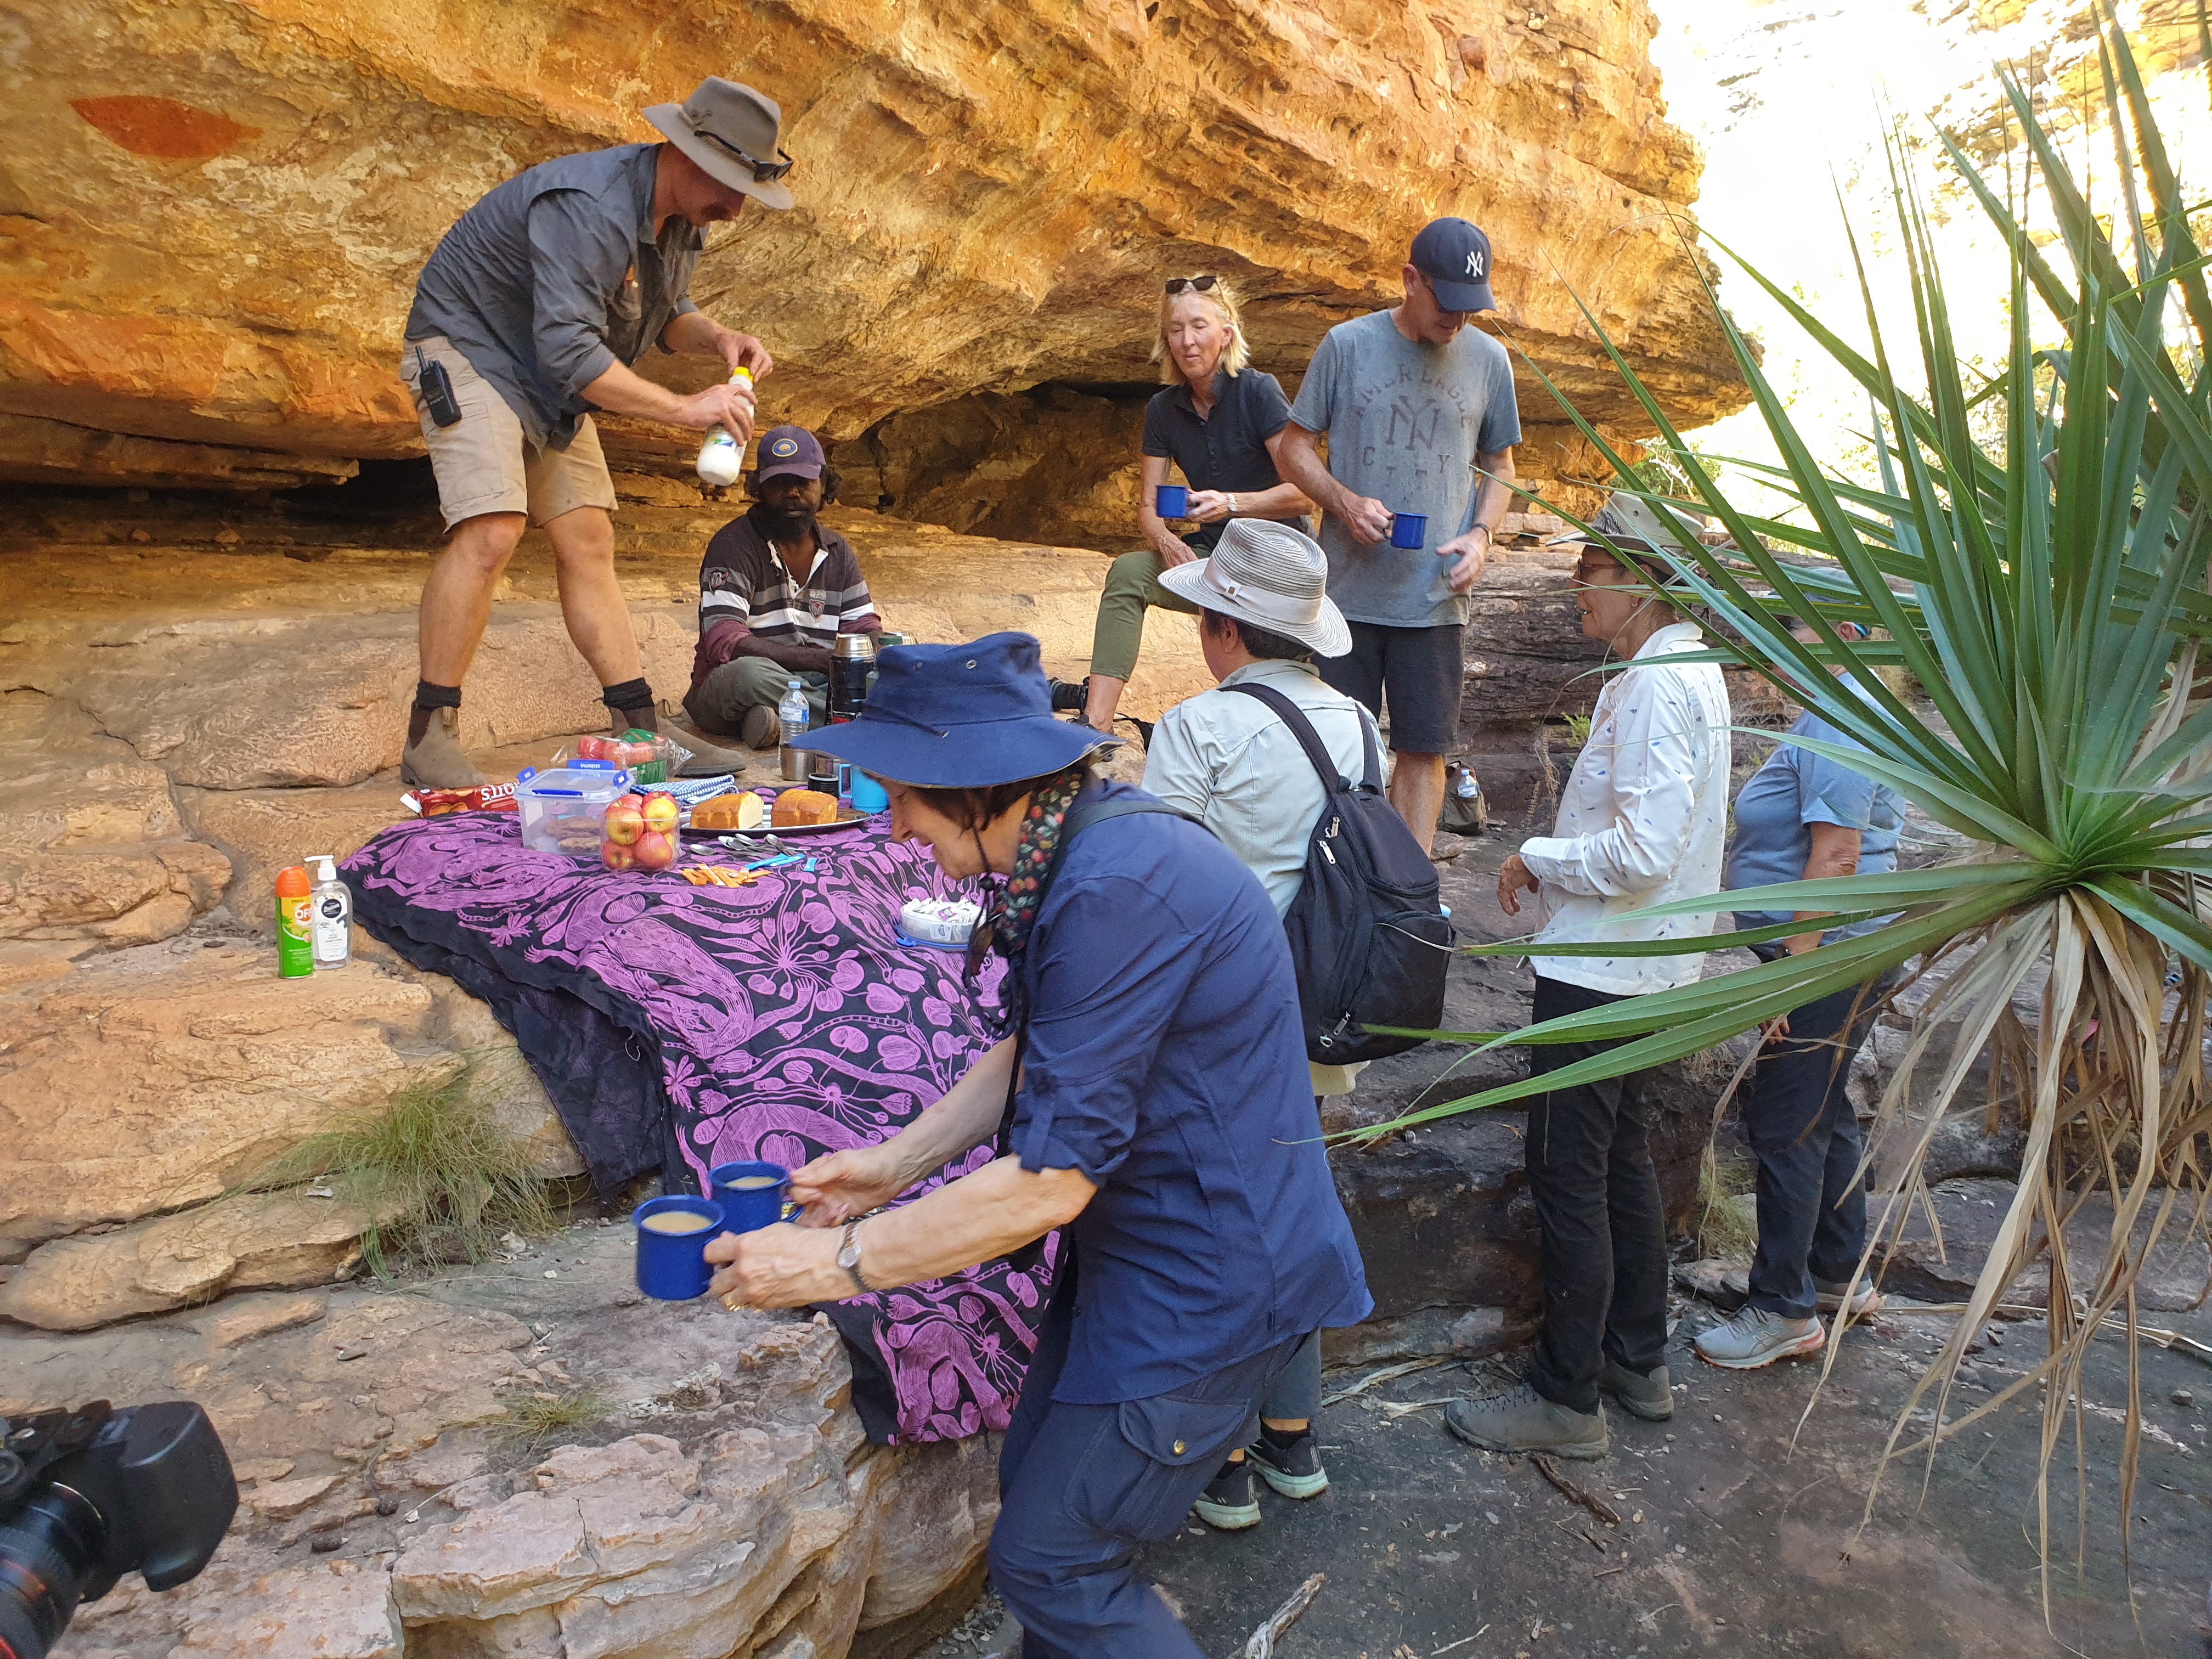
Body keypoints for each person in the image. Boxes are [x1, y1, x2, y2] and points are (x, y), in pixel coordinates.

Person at [704, 632, 1372, 1658]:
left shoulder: (1114, 884)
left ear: (976, 784)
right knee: (1042, 1500)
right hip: (1148, 1253)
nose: (899, 825)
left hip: (1219, 1274)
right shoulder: (1086, 845)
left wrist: (835, 1263)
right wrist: (894, 1165)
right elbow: (1041, 1045)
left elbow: (1049, 1182)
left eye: (906, 795)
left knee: (1055, 1559)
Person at [396, 76, 789, 787]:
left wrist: (721, 338)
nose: (735, 208)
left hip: (542, 376)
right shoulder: (591, 207)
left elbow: (670, 315)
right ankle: (431, 732)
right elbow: (572, 353)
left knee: (589, 537)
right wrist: (683, 410)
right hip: (468, 345)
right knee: (492, 530)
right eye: (731, 185)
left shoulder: (679, 218)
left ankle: (642, 734)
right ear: (686, 152)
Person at [1444, 537, 1730, 1459]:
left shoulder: (1655, 685)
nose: (1576, 590)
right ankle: (1635, 1360)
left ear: (1639, 579)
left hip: (1603, 970)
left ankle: (1566, 1396)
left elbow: (1643, 852)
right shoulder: (1691, 671)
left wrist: (1540, 856)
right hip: (1652, 969)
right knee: (1619, 1163)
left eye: (1590, 573)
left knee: (1570, 1170)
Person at [1138, 517, 1372, 1528]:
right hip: (1322, 1002)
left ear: (1222, 626)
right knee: (1298, 1204)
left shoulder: (1200, 728)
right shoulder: (1357, 723)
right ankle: (1294, 1436)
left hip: (1223, 1021)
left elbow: (1157, 891)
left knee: (1218, 1230)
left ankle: (1223, 1457)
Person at [1694, 616, 1904, 1370]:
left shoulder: (1845, 718)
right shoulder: (1843, 709)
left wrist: (1793, 970)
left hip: (1828, 962)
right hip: (1842, 957)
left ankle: (1782, 1310)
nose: (1769, 656)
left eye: (1787, 633)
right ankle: (1840, 1276)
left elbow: (1837, 854)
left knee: (1787, 1122)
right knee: (1826, 1109)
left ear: (1841, 631)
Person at [1276, 217, 1521, 854]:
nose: (1459, 320)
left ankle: (1408, 897)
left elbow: (1501, 466)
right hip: (1345, 600)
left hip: (1435, 600)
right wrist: (1343, 500)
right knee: (1334, 748)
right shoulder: (1347, 345)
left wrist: (1482, 538)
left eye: (1473, 307)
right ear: (1411, 280)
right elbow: (1295, 447)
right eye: (1448, 303)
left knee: (1422, 750)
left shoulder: (1490, 361)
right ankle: (1338, 882)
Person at [1062, 275, 1314, 736]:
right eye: (1175, 329)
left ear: (1227, 334)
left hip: (1277, 565)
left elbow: (1305, 494)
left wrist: (1233, 503)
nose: (1187, 340)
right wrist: (1164, 539)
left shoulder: (1259, 391)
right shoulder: (1163, 408)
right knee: (1129, 574)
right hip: (1215, 559)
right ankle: (1094, 724)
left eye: (1199, 326)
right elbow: (1148, 504)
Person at [684, 425, 882, 746]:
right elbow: (725, 640)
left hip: (816, 681)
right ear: (759, 489)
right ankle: (859, 730)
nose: (792, 493)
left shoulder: (838, 551)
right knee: (751, 675)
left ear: (825, 485)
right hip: (729, 685)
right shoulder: (734, 544)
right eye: (778, 484)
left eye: (803, 483)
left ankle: (775, 723)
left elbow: (863, 625)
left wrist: (872, 656)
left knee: (893, 663)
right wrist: (821, 661)